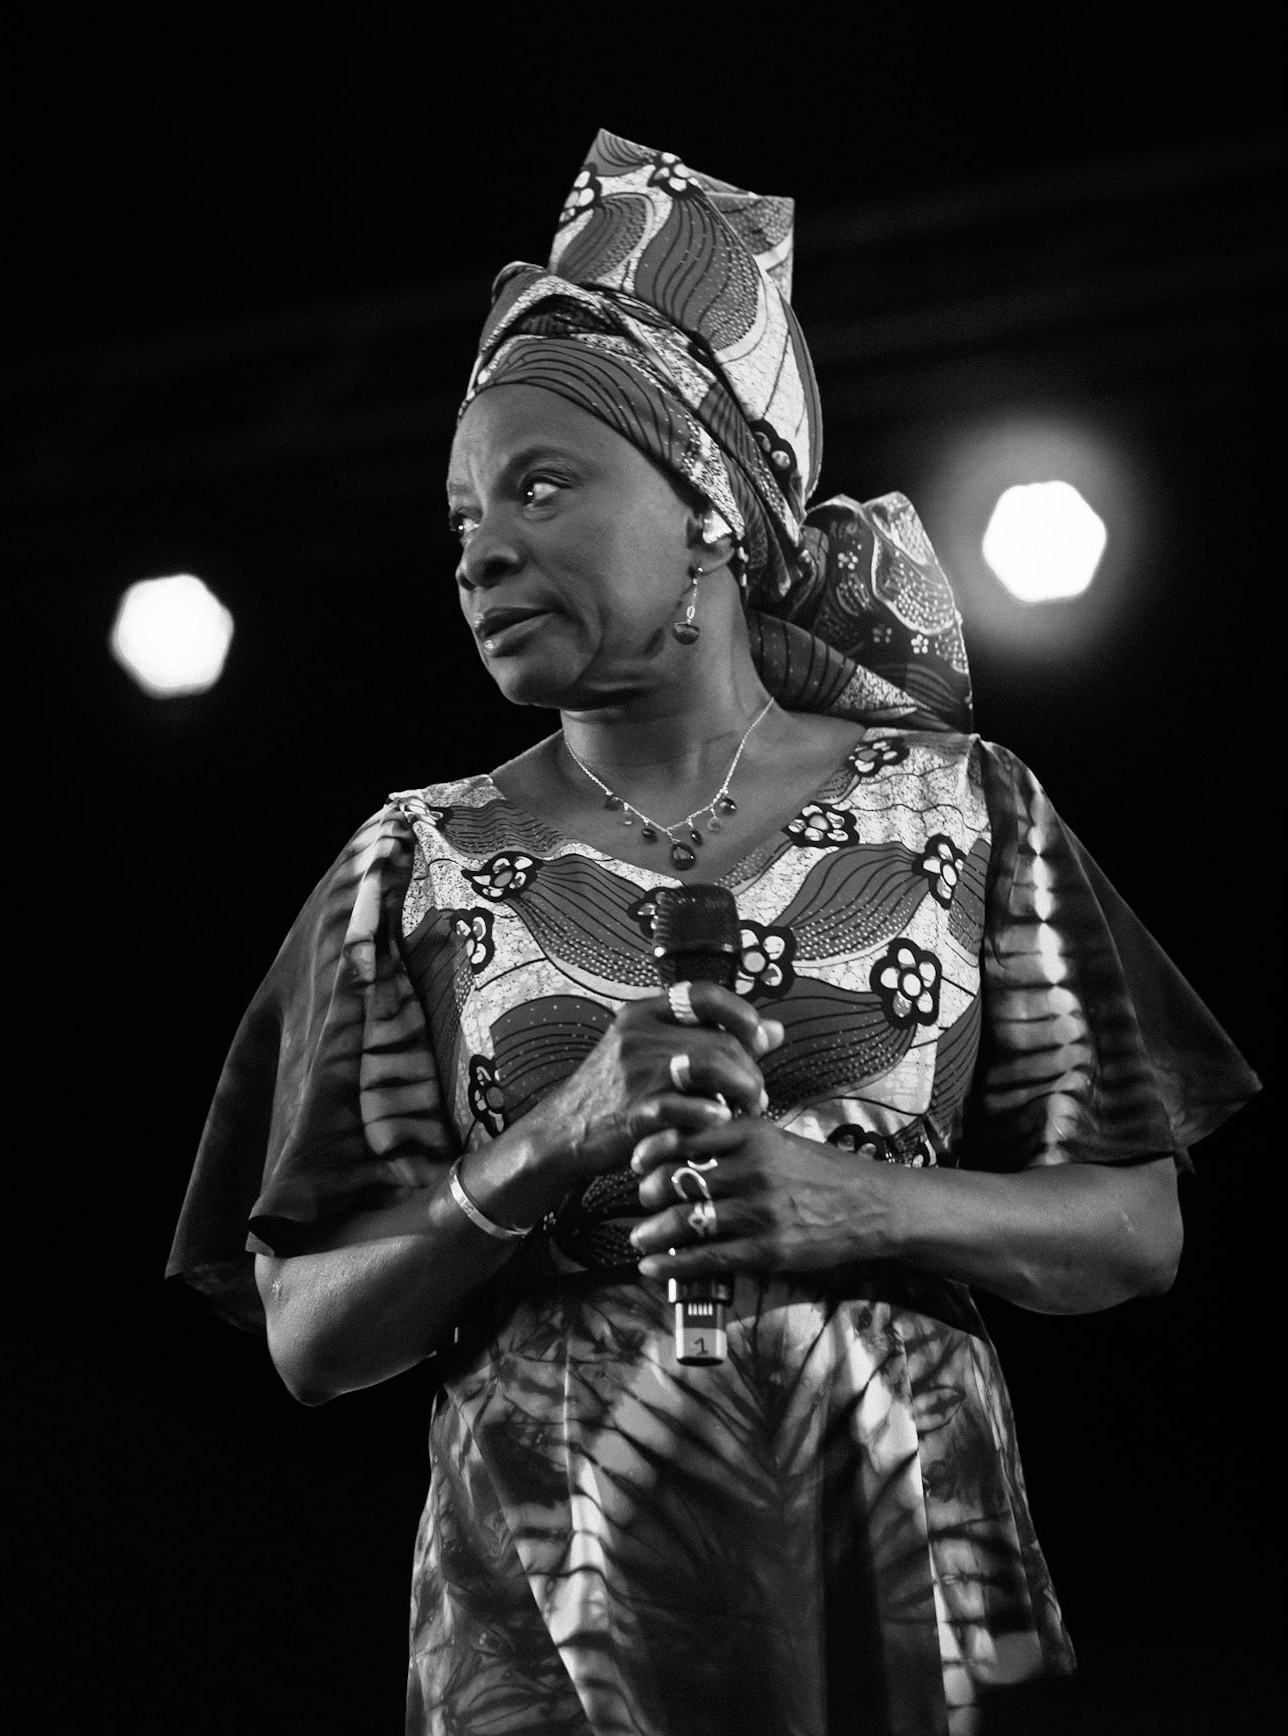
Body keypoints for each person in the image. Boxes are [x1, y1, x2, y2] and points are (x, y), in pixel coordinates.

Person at [168, 130, 1258, 1736]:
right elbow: (308, 1337)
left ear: (707, 512)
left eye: (540, 485)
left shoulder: (954, 808)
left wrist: (851, 1203)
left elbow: (1134, 1229)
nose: (476, 547)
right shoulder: (414, 861)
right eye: (460, 513)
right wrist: (547, 1147)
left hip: (898, 1573)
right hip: (555, 1611)